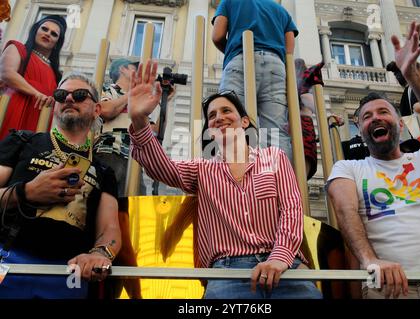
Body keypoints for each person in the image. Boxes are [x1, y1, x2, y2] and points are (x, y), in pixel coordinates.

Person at [126, 60, 321, 299]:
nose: (219, 117)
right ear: (209, 130)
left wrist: (279, 258)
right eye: (212, 115)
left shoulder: (274, 157)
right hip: (227, 274)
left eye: (226, 111)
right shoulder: (202, 169)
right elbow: (161, 168)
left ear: (245, 121)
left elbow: (292, 209)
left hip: (286, 269)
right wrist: (138, 119)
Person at [326, 21, 420, 299]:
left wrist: (413, 78)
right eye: (366, 117)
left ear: (400, 123)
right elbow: (345, 213)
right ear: (359, 130)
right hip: (385, 288)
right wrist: (370, 261)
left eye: (383, 112)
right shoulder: (348, 168)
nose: (375, 118)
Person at [0, 73, 121, 299]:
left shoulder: (104, 171)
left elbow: (110, 228)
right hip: (8, 259)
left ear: (96, 110)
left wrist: (99, 254)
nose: (68, 99)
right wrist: (26, 192)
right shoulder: (22, 141)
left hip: (69, 274)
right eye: (61, 95)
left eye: (79, 95)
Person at [212, 0, 298, 163]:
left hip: (240, 59)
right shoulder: (281, 11)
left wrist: (232, 51)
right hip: (275, 65)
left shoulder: (230, 2)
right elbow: (289, 51)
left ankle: (229, 179)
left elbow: (217, 36)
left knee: (230, 123)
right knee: (275, 131)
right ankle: (277, 180)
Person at [93, 58, 143, 299]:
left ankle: (121, 289)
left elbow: (153, 131)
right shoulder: (107, 89)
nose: (140, 73)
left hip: (135, 161)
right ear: (123, 69)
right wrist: (131, 95)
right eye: (136, 68)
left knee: (129, 228)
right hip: (109, 156)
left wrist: (166, 101)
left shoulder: (140, 96)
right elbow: (106, 110)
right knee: (114, 221)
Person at [0, 15, 67, 140]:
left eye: (54, 34)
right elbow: (7, 73)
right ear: (35, 30)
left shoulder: (55, 72)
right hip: (13, 109)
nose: (47, 34)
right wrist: (37, 94)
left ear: (57, 43)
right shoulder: (17, 47)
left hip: (39, 119)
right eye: (44, 29)